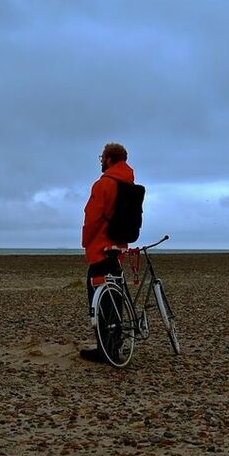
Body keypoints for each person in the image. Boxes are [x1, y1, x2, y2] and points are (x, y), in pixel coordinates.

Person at [79, 142, 135, 362]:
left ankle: (106, 350)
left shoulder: (104, 184)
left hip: (100, 248)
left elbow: (93, 217)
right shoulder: (128, 183)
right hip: (118, 248)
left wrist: (86, 241)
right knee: (115, 297)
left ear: (109, 159)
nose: (101, 161)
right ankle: (115, 345)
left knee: (99, 298)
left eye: (102, 157)